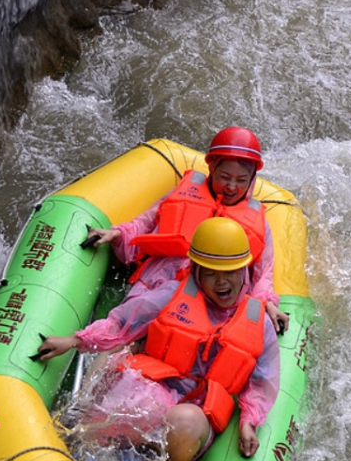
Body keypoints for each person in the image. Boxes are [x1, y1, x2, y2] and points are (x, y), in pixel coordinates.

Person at [38, 217, 280, 461]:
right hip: (152, 389)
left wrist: (248, 422)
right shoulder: (172, 294)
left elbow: (261, 383)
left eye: (230, 272)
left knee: (185, 421)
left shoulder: (258, 322)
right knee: (138, 396)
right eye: (210, 273)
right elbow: (121, 324)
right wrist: (75, 341)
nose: (221, 282)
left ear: (244, 271)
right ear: (196, 271)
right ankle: (78, 455)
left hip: (196, 412)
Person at [84, 126, 290, 334]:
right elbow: (143, 224)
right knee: (123, 334)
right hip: (159, 280)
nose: (231, 187)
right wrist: (117, 234)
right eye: (225, 177)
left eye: (241, 180)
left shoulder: (258, 221)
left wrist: (267, 302)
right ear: (212, 168)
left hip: (211, 298)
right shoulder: (185, 192)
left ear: (252, 179)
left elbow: (264, 273)